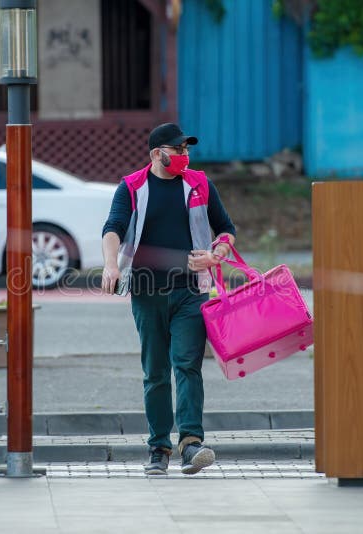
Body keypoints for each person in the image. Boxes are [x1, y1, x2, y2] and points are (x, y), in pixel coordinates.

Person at [101, 123, 236, 475]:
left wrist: (215, 255)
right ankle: (158, 447)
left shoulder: (200, 184)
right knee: (156, 373)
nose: (184, 156)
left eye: (186, 150)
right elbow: (113, 227)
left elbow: (226, 229)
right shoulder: (132, 187)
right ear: (156, 154)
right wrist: (110, 265)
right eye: (177, 150)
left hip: (191, 291)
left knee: (187, 365)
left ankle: (191, 443)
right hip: (146, 293)